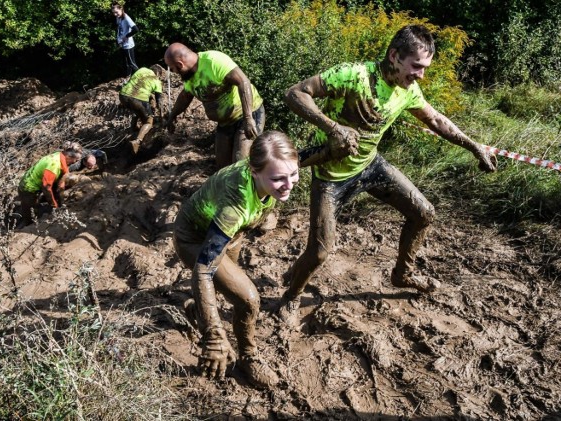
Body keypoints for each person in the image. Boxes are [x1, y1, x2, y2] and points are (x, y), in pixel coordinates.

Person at [276, 25, 497, 326]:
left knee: (424, 213)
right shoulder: (353, 75)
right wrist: (333, 128)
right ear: (394, 56)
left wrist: (474, 147)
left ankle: (402, 273)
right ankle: (290, 297)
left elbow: (435, 119)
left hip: (370, 166)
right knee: (318, 253)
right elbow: (295, 94)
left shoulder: (408, 90)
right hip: (331, 176)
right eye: (416, 66)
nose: (421, 75)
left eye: (425, 68)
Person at [173, 131, 299, 389]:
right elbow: (204, 268)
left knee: (225, 288)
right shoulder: (237, 203)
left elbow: (304, 158)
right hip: (196, 239)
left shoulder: (270, 165)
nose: (288, 184)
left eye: (293, 174)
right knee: (247, 299)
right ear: (253, 171)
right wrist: (215, 336)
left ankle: (197, 311)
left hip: (231, 233)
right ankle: (248, 357)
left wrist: (335, 145)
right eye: (278, 179)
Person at [164, 43, 265, 168]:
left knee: (240, 163)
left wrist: (248, 119)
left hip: (247, 115)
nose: (174, 73)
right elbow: (185, 96)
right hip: (225, 123)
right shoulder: (189, 77)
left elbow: (243, 82)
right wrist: (172, 116)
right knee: (223, 167)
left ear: (180, 65)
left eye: (173, 69)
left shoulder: (213, 61)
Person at [17, 143, 82, 225]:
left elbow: (61, 182)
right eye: (76, 160)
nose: (75, 163)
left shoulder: (60, 155)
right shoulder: (54, 165)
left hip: (38, 183)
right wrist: (54, 205)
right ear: (69, 157)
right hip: (28, 188)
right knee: (31, 213)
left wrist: (61, 201)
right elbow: (46, 188)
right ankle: (25, 224)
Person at [119, 67, 164, 153]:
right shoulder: (157, 80)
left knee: (136, 110)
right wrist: (161, 115)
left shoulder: (142, 69)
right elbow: (159, 101)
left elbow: (134, 83)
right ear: (158, 74)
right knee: (149, 120)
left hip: (123, 95)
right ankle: (137, 141)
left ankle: (133, 128)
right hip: (137, 99)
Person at [111, 2, 139, 80]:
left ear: (121, 9)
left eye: (116, 12)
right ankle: (128, 78)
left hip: (128, 45)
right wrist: (119, 41)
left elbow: (136, 29)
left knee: (132, 63)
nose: (115, 14)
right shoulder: (118, 18)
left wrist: (127, 36)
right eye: (114, 13)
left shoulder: (126, 18)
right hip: (122, 44)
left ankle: (143, 78)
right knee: (126, 64)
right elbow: (120, 30)